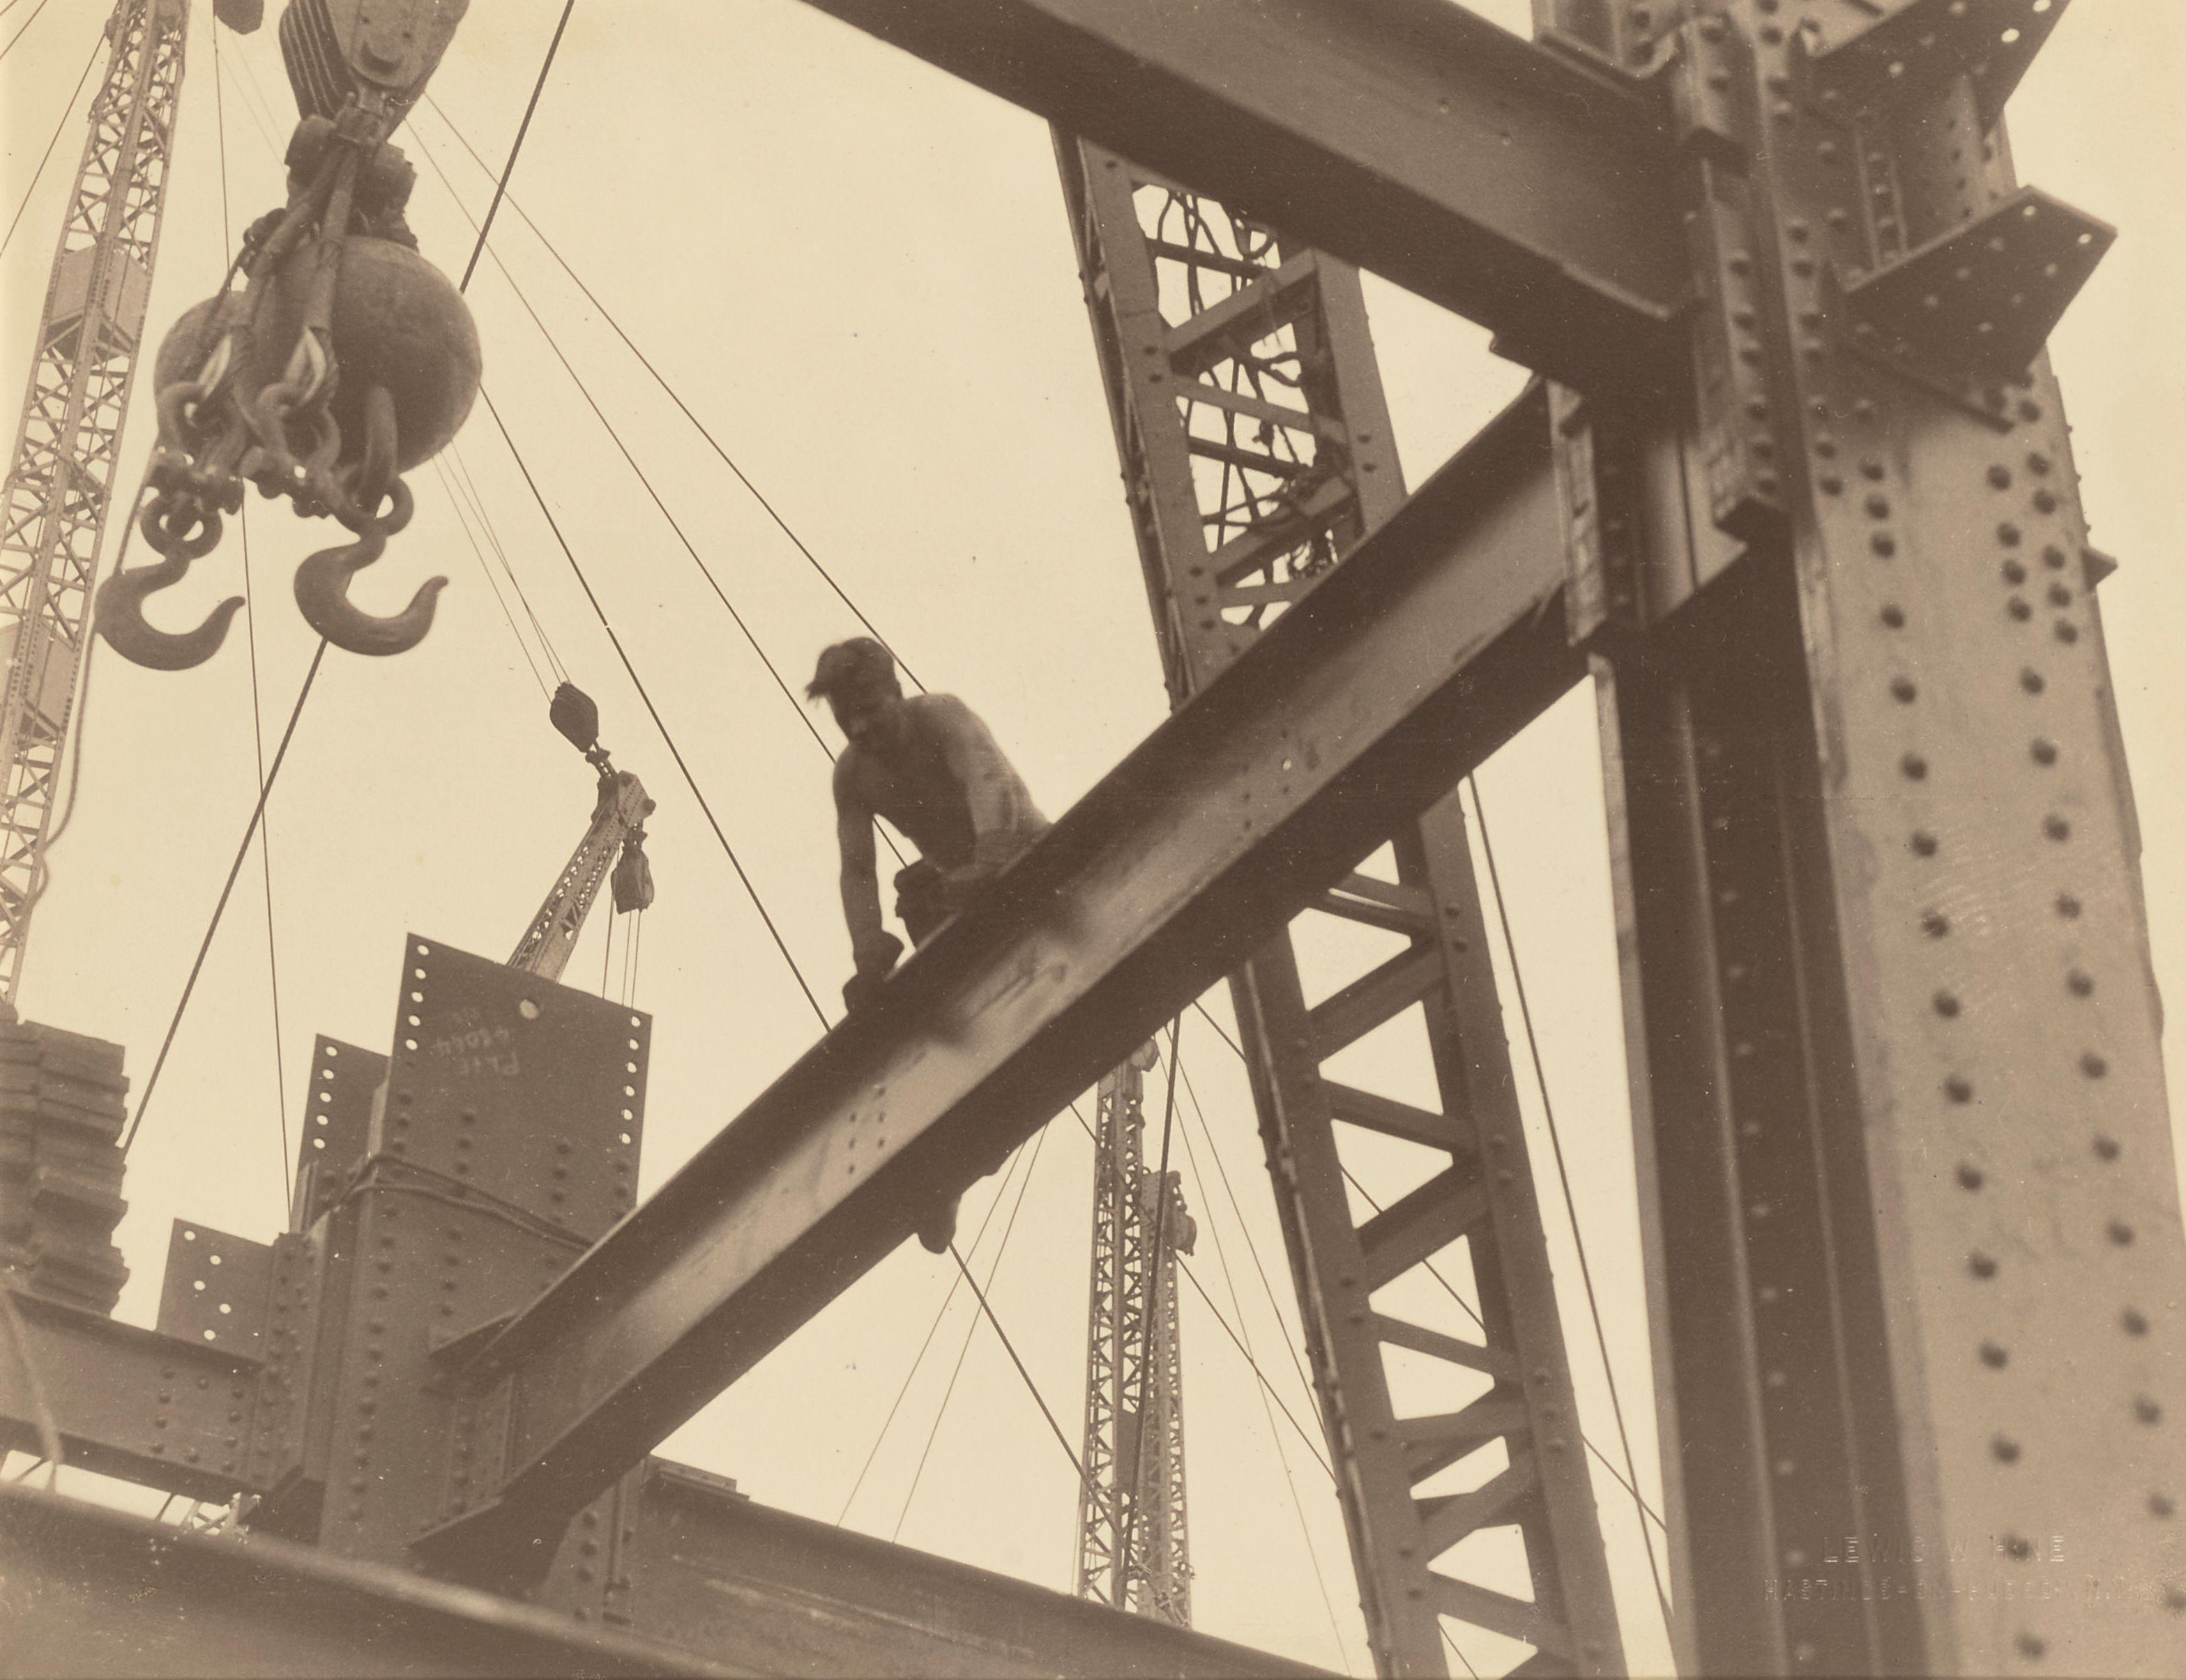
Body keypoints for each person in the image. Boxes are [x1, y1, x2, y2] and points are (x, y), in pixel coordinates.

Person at [809, 637, 1050, 1253]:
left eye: (871, 710)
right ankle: (946, 1176)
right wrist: (867, 949)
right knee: (919, 920)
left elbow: (986, 775)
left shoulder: (940, 716)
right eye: (847, 720)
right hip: (959, 891)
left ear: (896, 693)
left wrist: (993, 860)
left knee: (1007, 1029)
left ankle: (971, 1149)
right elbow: (857, 868)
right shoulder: (853, 776)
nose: (861, 728)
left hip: (1027, 860)